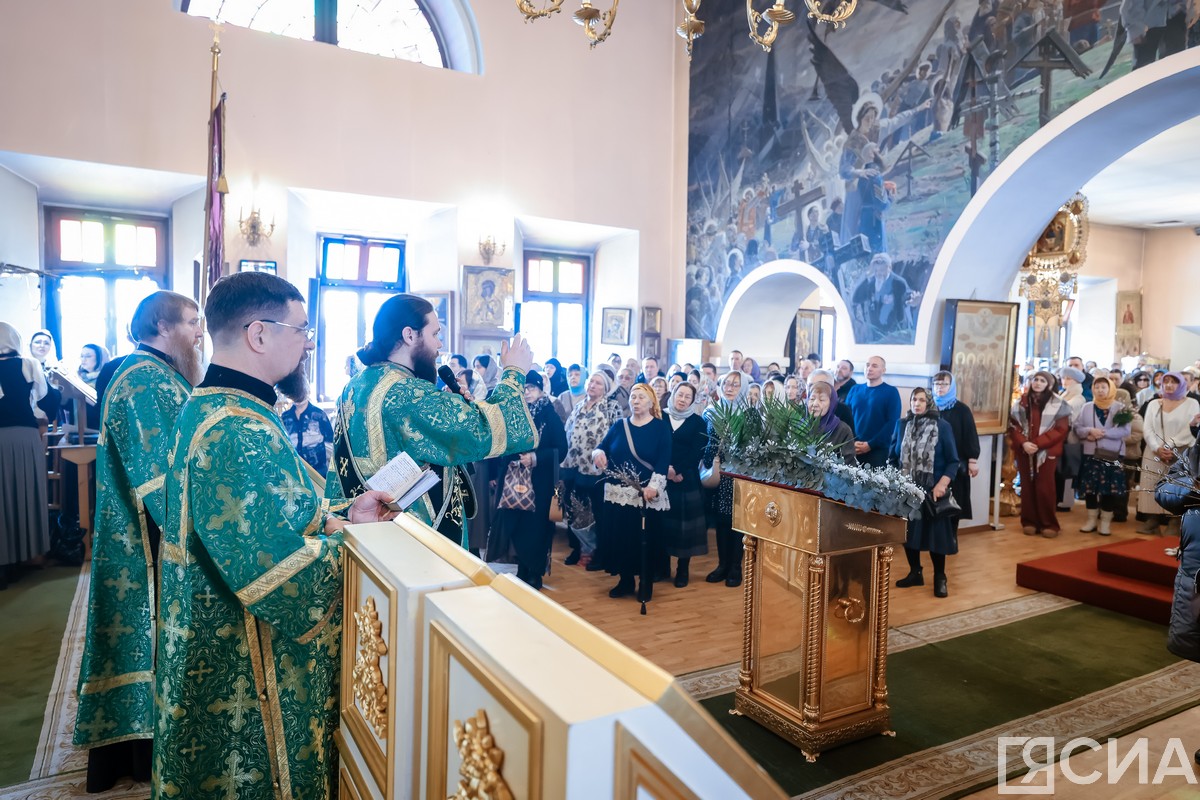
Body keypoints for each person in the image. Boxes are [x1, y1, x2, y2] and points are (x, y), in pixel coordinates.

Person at [153, 272, 396, 800]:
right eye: (302, 329)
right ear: (259, 334)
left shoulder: (217, 406)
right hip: (242, 658)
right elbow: (284, 578)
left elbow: (273, 512)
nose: (309, 341)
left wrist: (340, 513)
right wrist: (355, 541)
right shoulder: (236, 429)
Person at [72, 292, 203, 791]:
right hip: (147, 538)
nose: (198, 333)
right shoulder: (143, 379)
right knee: (146, 636)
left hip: (153, 529)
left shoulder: (160, 374)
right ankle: (136, 753)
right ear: (162, 326)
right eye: (192, 322)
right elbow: (156, 474)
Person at [329, 294, 539, 545]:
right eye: (435, 334)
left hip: (365, 531)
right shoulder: (406, 392)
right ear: (409, 335)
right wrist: (514, 372)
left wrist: (446, 405)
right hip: (412, 536)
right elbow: (484, 430)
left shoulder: (354, 386)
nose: (440, 345)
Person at [592, 383, 672, 600]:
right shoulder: (620, 425)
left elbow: (663, 461)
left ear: (651, 402)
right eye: (634, 397)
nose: (636, 401)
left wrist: (654, 487)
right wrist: (597, 454)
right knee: (621, 538)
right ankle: (625, 580)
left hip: (645, 494)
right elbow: (602, 446)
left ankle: (646, 582)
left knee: (644, 540)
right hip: (618, 493)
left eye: (641, 398)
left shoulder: (660, 428)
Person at [491, 371, 566, 589]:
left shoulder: (549, 415)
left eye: (532, 388)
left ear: (542, 390)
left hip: (540, 483)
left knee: (536, 528)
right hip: (514, 481)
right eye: (524, 389)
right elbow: (502, 443)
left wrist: (535, 457)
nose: (527, 393)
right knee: (517, 525)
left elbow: (561, 449)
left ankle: (535, 571)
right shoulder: (516, 414)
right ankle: (522, 568)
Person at [0, 322, 56, 592]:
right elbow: (44, 399)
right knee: (23, 495)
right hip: (23, 436)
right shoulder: (28, 364)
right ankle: (25, 557)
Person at [889, 387, 961, 598]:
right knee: (908, 534)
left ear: (929, 402)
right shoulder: (902, 425)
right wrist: (894, 481)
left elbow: (953, 461)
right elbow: (893, 456)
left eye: (922, 400)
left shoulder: (942, 426)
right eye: (914, 399)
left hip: (932, 492)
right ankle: (915, 572)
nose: (917, 404)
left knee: (935, 537)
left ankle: (940, 577)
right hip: (907, 490)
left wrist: (942, 484)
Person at [560, 371, 622, 570]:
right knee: (574, 509)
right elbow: (568, 431)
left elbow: (617, 436)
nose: (593, 385)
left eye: (598, 383)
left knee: (597, 512)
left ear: (606, 388)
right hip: (573, 464)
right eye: (591, 382)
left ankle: (599, 552)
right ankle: (578, 547)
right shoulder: (579, 405)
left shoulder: (611, 407)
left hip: (597, 468)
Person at [1009, 370, 1072, 537]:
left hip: (1046, 452)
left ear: (1049, 385)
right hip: (1025, 451)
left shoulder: (1059, 404)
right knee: (1027, 487)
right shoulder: (1021, 402)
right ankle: (1029, 521)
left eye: (1042, 381)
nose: (1037, 383)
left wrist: (1036, 444)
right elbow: (1014, 426)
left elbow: (1060, 429)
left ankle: (1049, 524)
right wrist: (1024, 442)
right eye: (1035, 379)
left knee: (1045, 488)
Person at [1138, 372, 1200, 534]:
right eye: (1166, 381)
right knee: (1151, 482)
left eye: (1173, 382)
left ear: (1181, 384)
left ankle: (1174, 521)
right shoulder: (1154, 403)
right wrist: (1156, 447)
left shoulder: (1191, 403)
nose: (1169, 385)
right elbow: (1148, 428)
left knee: (1177, 484)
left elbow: (1190, 429)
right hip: (1154, 451)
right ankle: (1152, 520)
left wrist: (1168, 445)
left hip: (1181, 450)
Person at [703, 371, 748, 587]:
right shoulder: (711, 412)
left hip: (739, 475)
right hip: (717, 472)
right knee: (720, 521)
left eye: (736, 385)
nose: (730, 388)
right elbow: (705, 441)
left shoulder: (748, 415)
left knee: (736, 522)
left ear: (743, 388)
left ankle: (735, 568)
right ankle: (722, 565)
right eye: (727, 383)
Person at [662, 382, 708, 587]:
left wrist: (677, 471)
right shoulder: (660, 416)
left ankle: (683, 569)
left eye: (687, 397)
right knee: (662, 524)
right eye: (679, 395)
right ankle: (661, 567)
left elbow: (696, 452)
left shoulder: (698, 422)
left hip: (685, 478)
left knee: (683, 528)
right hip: (660, 477)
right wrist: (666, 470)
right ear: (673, 395)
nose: (682, 399)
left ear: (692, 400)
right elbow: (656, 446)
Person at [1074, 375, 1132, 536]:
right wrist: (1089, 431)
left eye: (1103, 387)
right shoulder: (1087, 407)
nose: (1100, 390)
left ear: (1110, 389)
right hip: (1090, 454)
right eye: (1097, 387)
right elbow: (1077, 427)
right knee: (1090, 489)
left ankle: (1105, 523)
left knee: (1109, 490)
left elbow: (1125, 431)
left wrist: (1102, 433)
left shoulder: (1120, 407)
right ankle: (1091, 520)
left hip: (1112, 454)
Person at [933, 371, 980, 530]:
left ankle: (951, 537)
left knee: (953, 503)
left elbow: (970, 435)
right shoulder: (929, 406)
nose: (940, 388)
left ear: (951, 386)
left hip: (955, 463)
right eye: (936, 384)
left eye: (944, 384)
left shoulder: (961, 409)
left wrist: (972, 459)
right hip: (933, 463)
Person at [845, 355, 902, 468]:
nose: (869, 368)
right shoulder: (855, 389)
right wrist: (852, 442)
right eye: (867, 365)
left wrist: (870, 444)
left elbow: (892, 423)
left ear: (883, 370)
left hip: (878, 450)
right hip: (853, 447)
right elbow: (846, 418)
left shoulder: (891, 392)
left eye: (874, 366)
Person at [280, 386, 335, 476]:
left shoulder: (319, 415)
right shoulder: (285, 417)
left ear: (307, 392)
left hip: (318, 470)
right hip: (295, 470)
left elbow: (330, 442)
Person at [1057, 366, 1088, 511]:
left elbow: (1067, 415)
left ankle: (1066, 501)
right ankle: (1057, 498)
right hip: (1059, 437)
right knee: (1058, 469)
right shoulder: (1063, 394)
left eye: (1068, 378)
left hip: (1070, 438)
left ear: (1076, 381)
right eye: (1063, 378)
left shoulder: (1078, 398)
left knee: (1068, 468)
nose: (1065, 381)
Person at [807, 382, 855, 462]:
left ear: (831, 403)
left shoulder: (842, 430)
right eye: (812, 399)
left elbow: (849, 465)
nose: (815, 404)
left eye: (822, 400)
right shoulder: (799, 425)